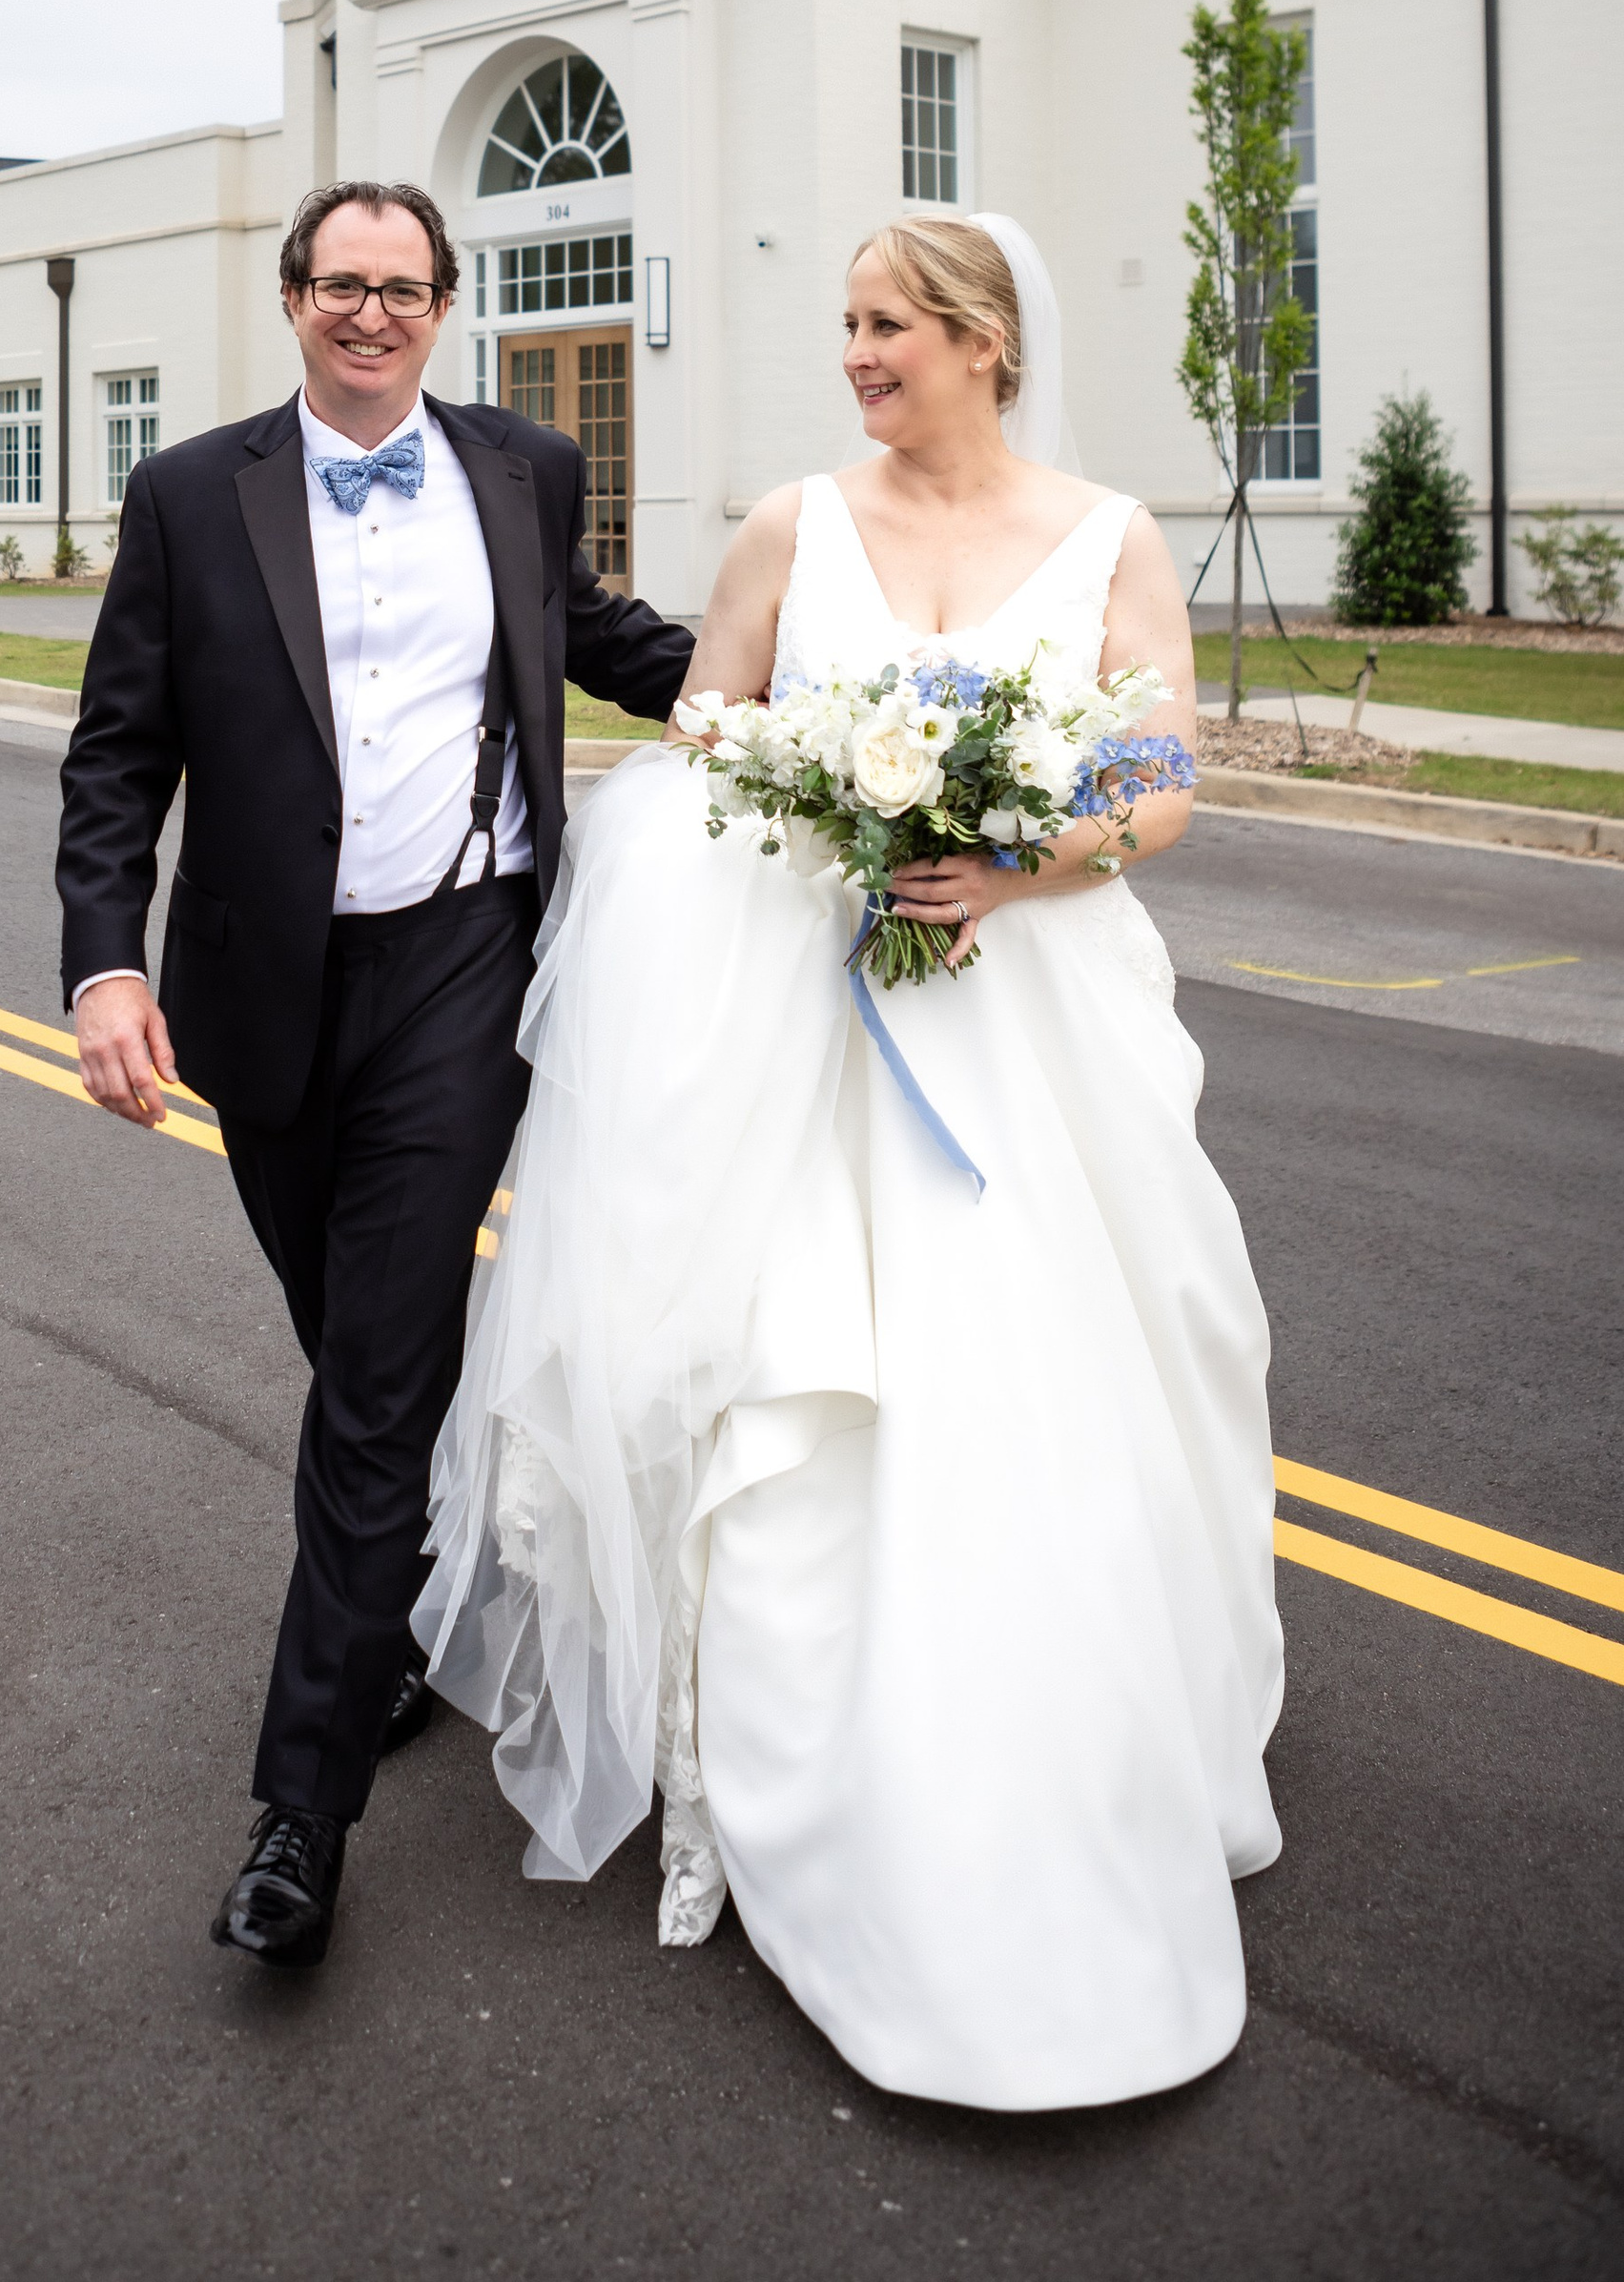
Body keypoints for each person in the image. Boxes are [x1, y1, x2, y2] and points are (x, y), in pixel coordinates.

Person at [418, 211, 1283, 2113]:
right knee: (813, 1377)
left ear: (979, 338)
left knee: (1067, 1368)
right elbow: (701, 729)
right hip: (817, 1025)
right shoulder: (787, 528)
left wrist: (1013, 851)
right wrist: (822, 785)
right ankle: (817, 1767)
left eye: (883, 322)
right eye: (846, 324)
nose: (856, 353)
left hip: (1031, 1016)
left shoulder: (1109, 536)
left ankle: (1058, 1735)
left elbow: (1157, 776)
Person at [57, 179, 695, 1973]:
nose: (373, 312)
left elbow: (592, 638)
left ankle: (300, 1813)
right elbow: (119, 755)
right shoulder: (193, 493)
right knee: (348, 1340)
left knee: (376, 1383)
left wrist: (808, 692)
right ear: (291, 299)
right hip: (266, 995)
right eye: (343, 283)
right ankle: (411, 1613)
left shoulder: (518, 466)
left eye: (405, 287)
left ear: (443, 305)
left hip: (461, 964)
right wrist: (107, 959)